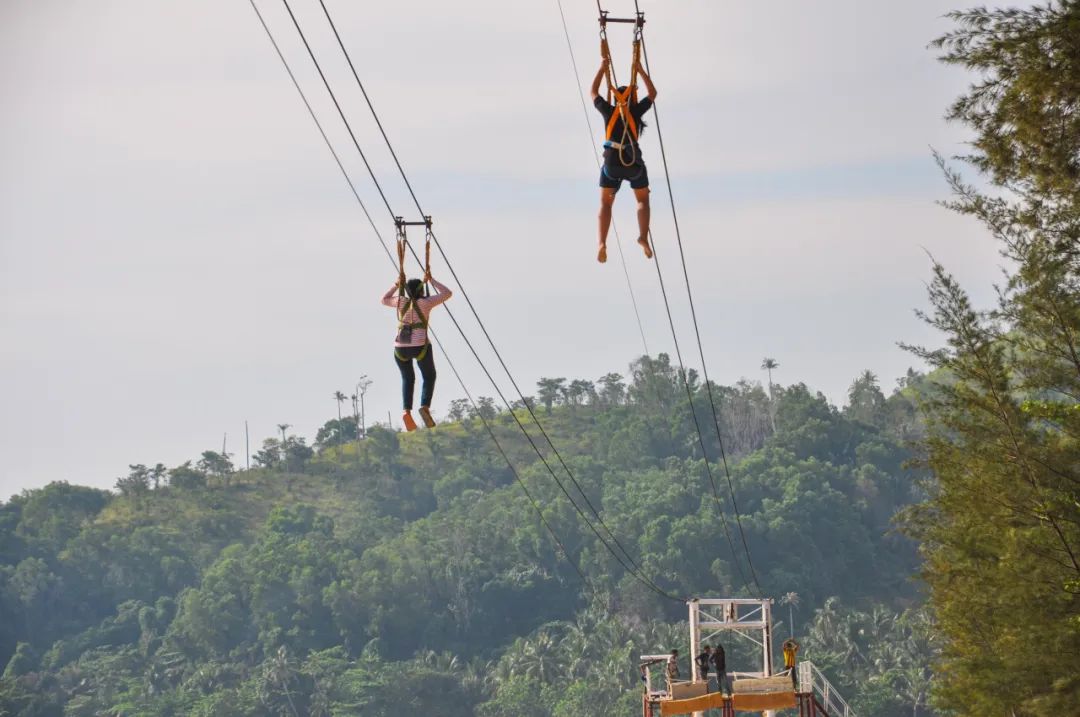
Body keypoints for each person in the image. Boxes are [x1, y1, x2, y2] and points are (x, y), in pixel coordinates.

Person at [589, 58, 657, 264]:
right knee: (642, 200)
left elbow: (593, 92)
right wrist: (641, 71)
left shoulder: (608, 111)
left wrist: (601, 69)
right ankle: (643, 236)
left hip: (612, 161)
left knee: (606, 203)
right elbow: (653, 94)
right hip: (632, 161)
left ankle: (601, 242)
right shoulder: (635, 112)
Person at [380, 272, 452, 431]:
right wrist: (432, 280)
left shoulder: (400, 301)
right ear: (421, 291)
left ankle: (406, 411)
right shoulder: (426, 302)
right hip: (420, 346)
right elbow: (447, 293)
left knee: (408, 378)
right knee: (429, 376)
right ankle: (424, 407)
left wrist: (396, 284)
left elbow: (384, 299)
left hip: (400, 348)